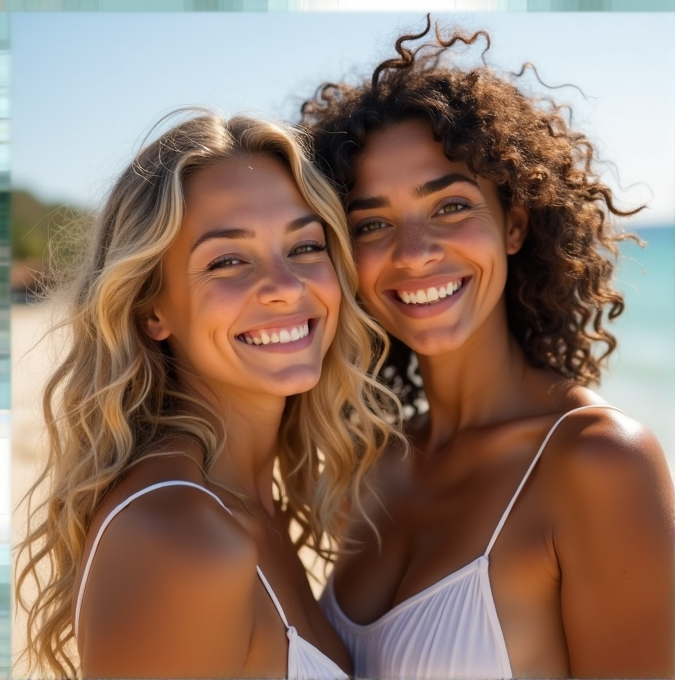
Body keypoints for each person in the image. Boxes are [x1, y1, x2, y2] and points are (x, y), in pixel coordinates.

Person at [300, 18, 675, 679]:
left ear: (514, 224)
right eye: (373, 224)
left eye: (449, 207)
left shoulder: (598, 463)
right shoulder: (375, 467)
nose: (414, 254)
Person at [14, 111, 400, 679]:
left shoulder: (243, 503)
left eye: (305, 247)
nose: (285, 288)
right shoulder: (181, 536)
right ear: (152, 310)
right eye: (227, 261)